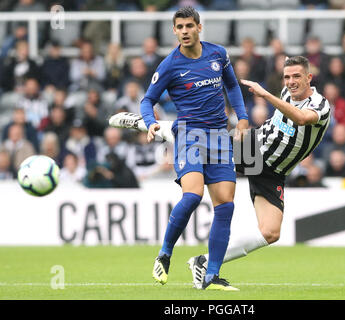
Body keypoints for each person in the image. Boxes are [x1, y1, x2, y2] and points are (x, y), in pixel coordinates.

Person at [109, 55, 330, 290]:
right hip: (254, 150)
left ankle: (203, 262)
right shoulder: (287, 93)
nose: (291, 81)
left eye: (297, 76)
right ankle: (147, 123)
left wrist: (266, 95)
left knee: (271, 232)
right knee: (201, 141)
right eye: (287, 77)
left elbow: (303, 119)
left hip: (274, 172)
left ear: (309, 77)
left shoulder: (319, 105)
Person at [110, 6, 248, 291]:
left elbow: (232, 86)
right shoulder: (170, 65)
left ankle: (210, 275)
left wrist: (243, 117)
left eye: (189, 26)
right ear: (174, 31)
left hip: (220, 137)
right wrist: (149, 122)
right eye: (179, 27)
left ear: (199, 27)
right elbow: (147, 100)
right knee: (193, 195)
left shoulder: (218, 55)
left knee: (226, 206)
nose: (184, 31)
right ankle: (165, 253)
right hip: (188, 136)